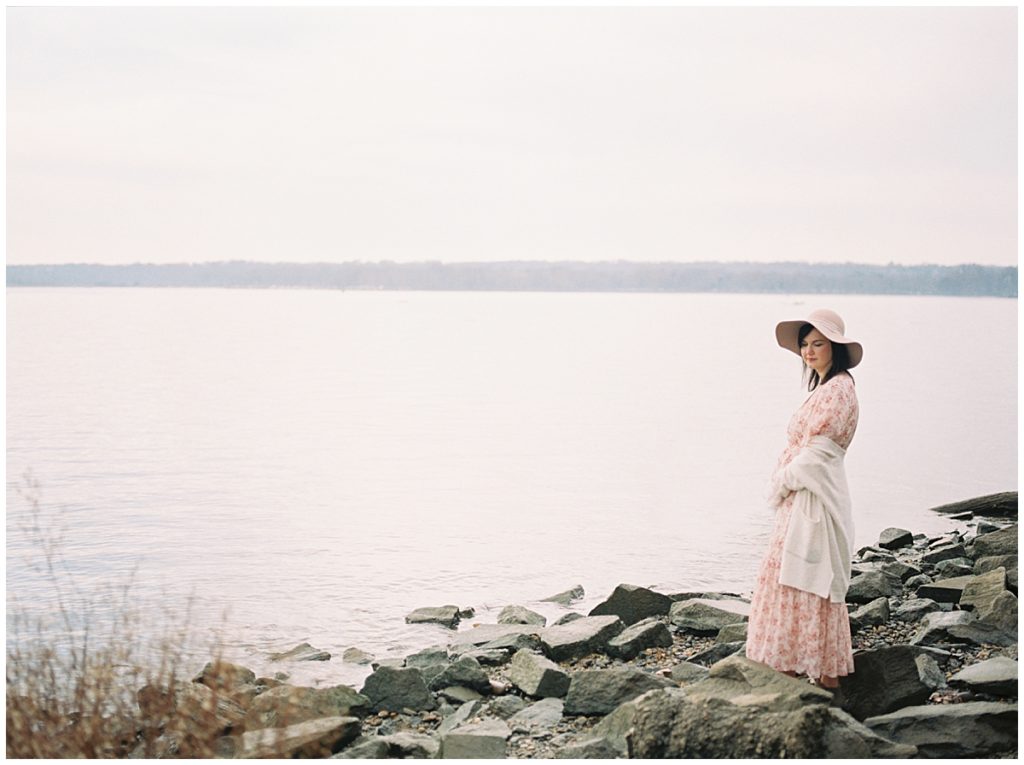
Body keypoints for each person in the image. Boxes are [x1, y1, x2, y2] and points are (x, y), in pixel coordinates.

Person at [745, 308, 863, 689]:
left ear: (835, 348)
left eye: (818, 344)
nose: (809, 352)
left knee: (804, 577)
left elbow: (817, 457)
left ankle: (813, 675)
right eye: (806, 345)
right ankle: (801, 667)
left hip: (813, 498)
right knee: (796, 577)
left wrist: (780, 482)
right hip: (805, 498)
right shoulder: (828, 388)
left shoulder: (839, 390)